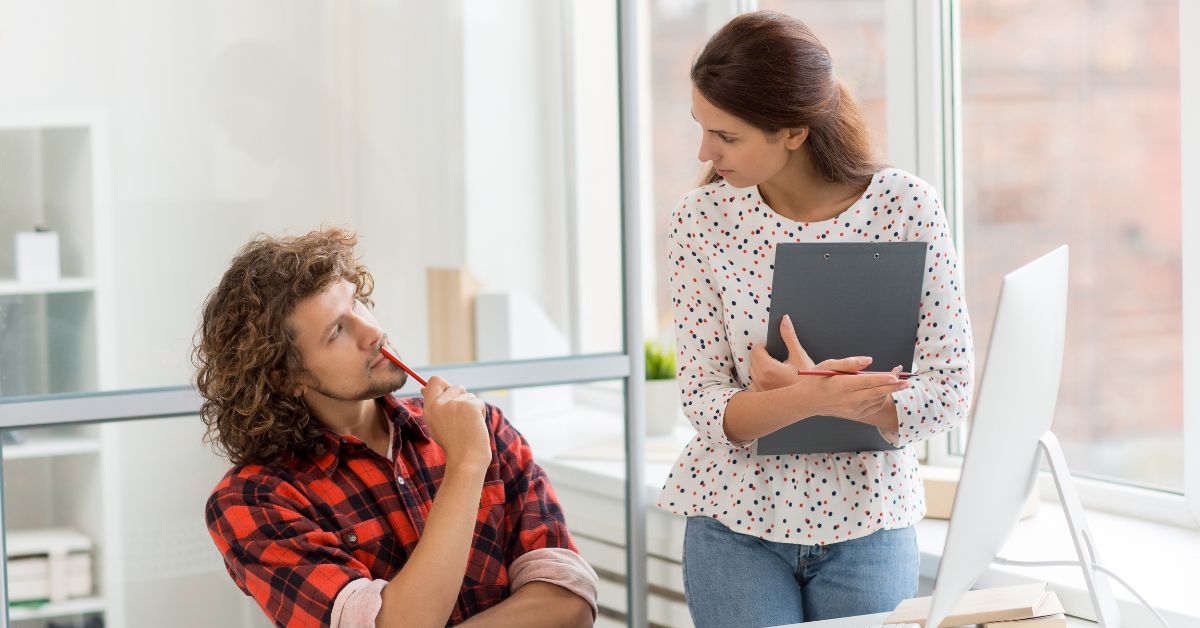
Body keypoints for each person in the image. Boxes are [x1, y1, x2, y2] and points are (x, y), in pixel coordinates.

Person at [656, 11, 975, 627]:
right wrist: (804, 400)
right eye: (702, 128)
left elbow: (951, 388)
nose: (704, 152)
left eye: (726, 136)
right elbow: (701, 400)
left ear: (793, 132)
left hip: (870, 524)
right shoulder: (699, 221)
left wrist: (847, 401)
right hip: (733, 525)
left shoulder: (906, 205)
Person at [196, 227, 597, 628]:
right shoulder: (254, 500)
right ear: (285, 377)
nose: (372, 333)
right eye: (337, 331)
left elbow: (571, 601)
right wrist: (467, 465)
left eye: (358, 304)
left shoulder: (481, 425)